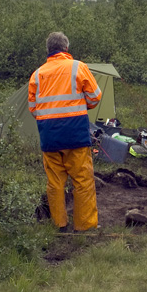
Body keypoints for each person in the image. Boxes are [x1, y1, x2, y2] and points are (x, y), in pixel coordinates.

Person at [28, 32, 102, 232]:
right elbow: (95, 97)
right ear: (66, 48)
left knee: (55, 183)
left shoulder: (37, 74)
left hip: (49, 137)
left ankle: (59, 225)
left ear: (48, 50)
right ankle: (84, 226)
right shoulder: (78, 67)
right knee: (82, 181)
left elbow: (33, 108)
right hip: (75, 134)